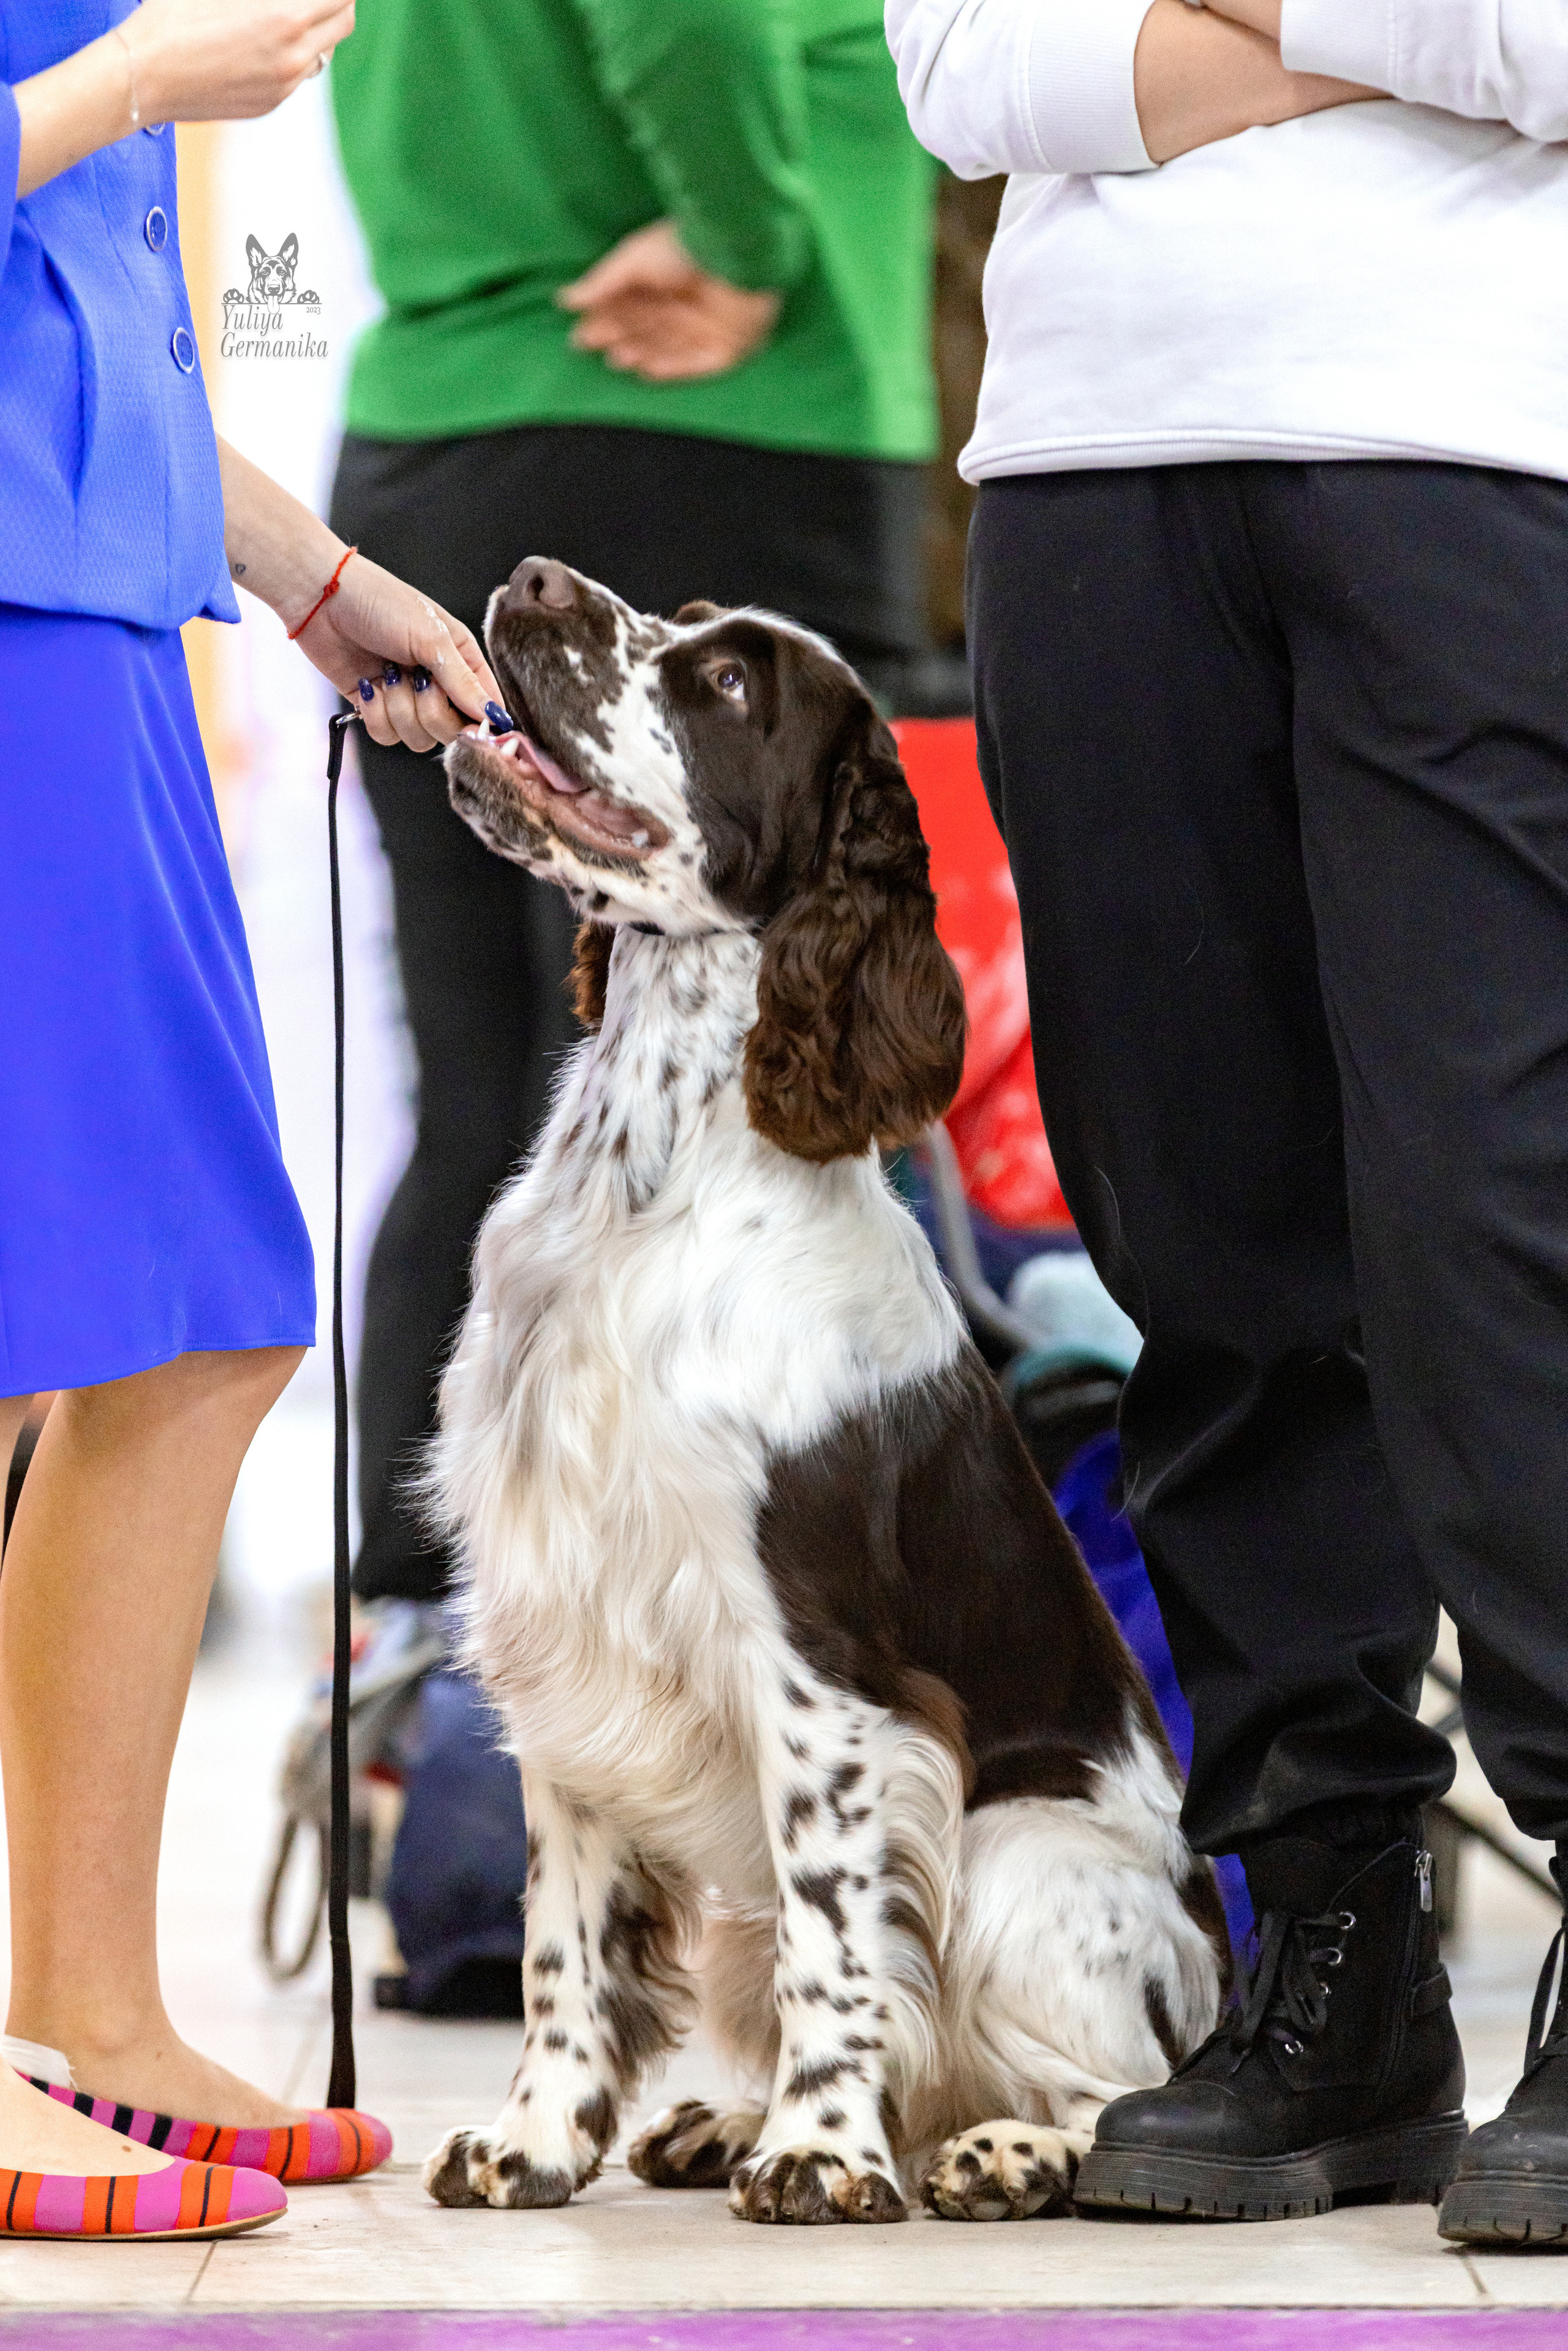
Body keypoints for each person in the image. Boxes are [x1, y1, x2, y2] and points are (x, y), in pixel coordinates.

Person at [888, 0, 1568, 2245]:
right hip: (1091, 473)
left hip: (1479, 450)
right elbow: (966, 71)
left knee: (1497, 1215)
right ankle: (1337, 1957)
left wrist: (1205, 26)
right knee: (1195, 1240)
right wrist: (1388, 40)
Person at [0, 0, 510, 2238]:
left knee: (209, 1315)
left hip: (99, 610)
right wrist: (132, 86)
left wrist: (312, 582)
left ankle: (88, 2003)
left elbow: (85, 301)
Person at [327, 0, 940, 1609]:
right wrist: (746, 237)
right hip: (706, 420)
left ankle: (423, 1684)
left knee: (491, 1097)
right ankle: (757, 1679)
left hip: (438, 424)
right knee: (770, 1102)